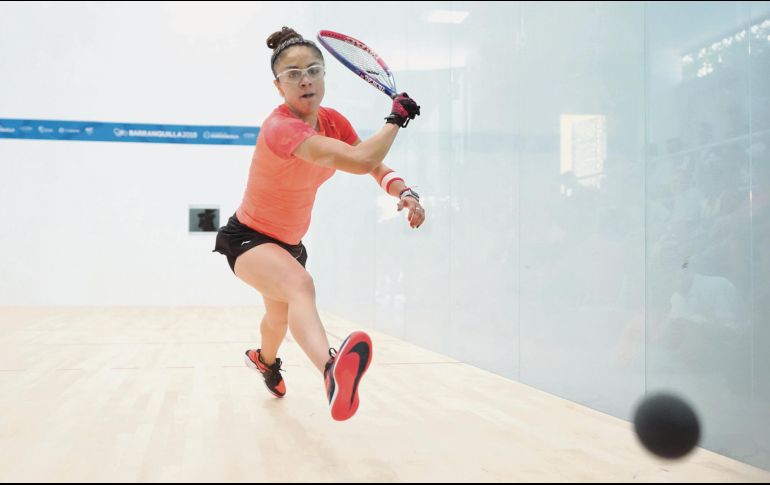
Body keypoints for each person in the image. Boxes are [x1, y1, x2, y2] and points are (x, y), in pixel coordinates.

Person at [213, 27, 424, 421]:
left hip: (288, 245)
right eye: (292, 74)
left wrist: (403, 191)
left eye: (313, 69)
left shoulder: (331, 121)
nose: (305, 79)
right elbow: (361, 160)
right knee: (300, 285)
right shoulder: (281, 129)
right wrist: (395, 119)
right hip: (246, 239)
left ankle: (264, 361)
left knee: (278, 317)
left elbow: (371, 162)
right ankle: (331, 372)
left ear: (325, 75)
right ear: (278, 86)